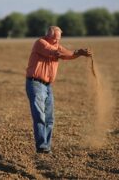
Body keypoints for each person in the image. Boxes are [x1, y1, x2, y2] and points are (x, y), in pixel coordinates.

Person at [25, 26, 92, 154]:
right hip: (35, 84)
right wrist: (77, 52)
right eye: (55, 39)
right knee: (39, 116)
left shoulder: (56, 45)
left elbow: (67, 54)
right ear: (48, 36)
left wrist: (79, 54)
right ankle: (42, 146)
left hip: (48, 86)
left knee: (49, 118)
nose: (57, 42)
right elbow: (57, 53)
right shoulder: (40, 43)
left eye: (59, 39)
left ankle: (46, 147)